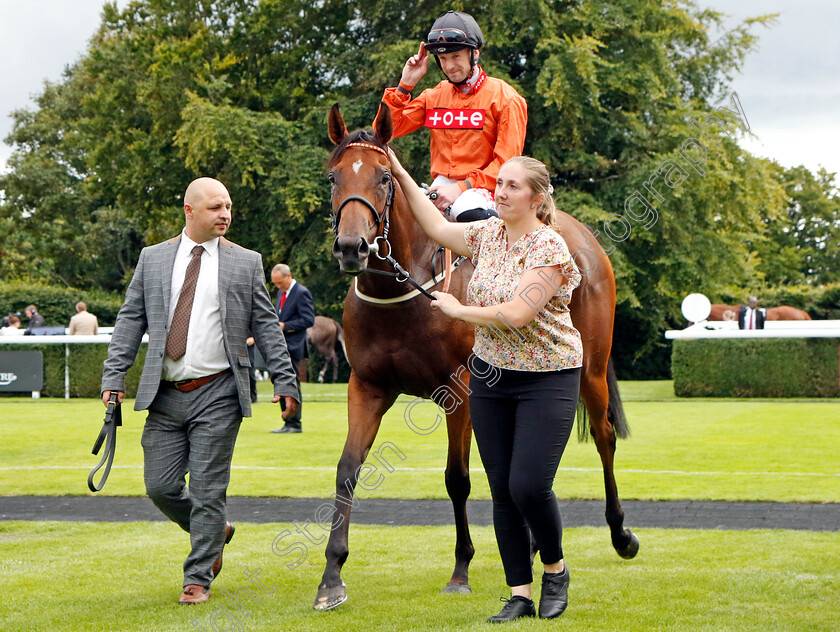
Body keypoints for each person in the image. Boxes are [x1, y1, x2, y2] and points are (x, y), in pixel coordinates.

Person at [389, 150, 581, 622]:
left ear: (536, 199)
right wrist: (395, 169)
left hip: (548, 377)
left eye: (513, 186)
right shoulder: (486, 235)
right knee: (500, 491)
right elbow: (434, 224)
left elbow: (517, 314)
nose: (501, 190)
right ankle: (519, 592)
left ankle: (554, 569)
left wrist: (458, 311)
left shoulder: (549, 248)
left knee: (529, 485)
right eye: (500, 183)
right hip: (492, 376)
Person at [101, 177, 300, 605]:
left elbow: (267, 326)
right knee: (160, 486)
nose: (225, 214)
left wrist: (286, 382)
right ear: (189, 210)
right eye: (215, 207)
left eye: (227, 206)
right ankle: (215, 530)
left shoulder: (246, 262)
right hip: (165, 394)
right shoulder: (152, 259)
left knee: (210, 489)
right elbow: (129, 321)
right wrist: (113, 378)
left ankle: (197, 577)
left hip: (220, 391)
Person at [381, 10, 528, 222]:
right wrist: (405, 85)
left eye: (456, 56)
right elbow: (384, 132)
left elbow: (507, 165)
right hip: (441, 185)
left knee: (465, 209)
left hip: (487, 188)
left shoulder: (507, 99)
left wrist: (461, 188)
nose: (449, 66)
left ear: (474, 53)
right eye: (443, 58)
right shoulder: (434, 95)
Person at [269, 264, 315, 434]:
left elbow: (308, 320)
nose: (278, 287)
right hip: (281, 346)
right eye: (276, 284)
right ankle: (287, 421)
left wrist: (285, 326)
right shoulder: (282, 293)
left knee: (292, 384)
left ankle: (295, 423)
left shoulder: (302, 293)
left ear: (289, 276)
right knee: (283, 382)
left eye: (280, 283)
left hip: (294, 345)